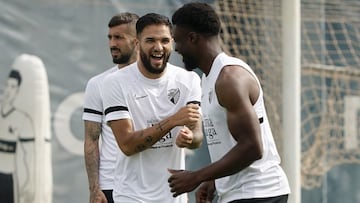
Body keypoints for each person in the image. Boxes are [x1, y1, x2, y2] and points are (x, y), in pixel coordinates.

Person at [168, 2, 291, 203]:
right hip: (240, 194)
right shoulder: (209, 78)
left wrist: (197, 176)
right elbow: (231, 144)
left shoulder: (229, 79)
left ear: (192, 38)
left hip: (258, 193)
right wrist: (214, 181)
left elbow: (252, 147)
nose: (177, 49)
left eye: (178, 41)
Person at [101, 13, 203, 203]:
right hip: (131, 196)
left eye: (164, 40)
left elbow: (197, 136)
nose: (158, 47)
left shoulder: (189, 80)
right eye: (151, 40)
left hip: (174, 197)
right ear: (137, 44)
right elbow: (127, 145)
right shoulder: (115, 83)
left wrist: (190, 139)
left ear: (172, 42)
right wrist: (173, 121)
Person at [82, 12, 139, 203]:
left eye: (119, 38)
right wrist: (94, 189)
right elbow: (91, 139)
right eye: (110, 37)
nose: (112, 44)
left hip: (151, 185)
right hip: (111, 186)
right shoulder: (98, 84)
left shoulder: (160, 82)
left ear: (137, 41)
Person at [0, 69, 36, 203]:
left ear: (18, 90)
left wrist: (27, 182)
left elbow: (29, 155)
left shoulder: (22, 119)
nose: (8, 90)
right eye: (7, 85)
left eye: (13, 86)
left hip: (7, 178)